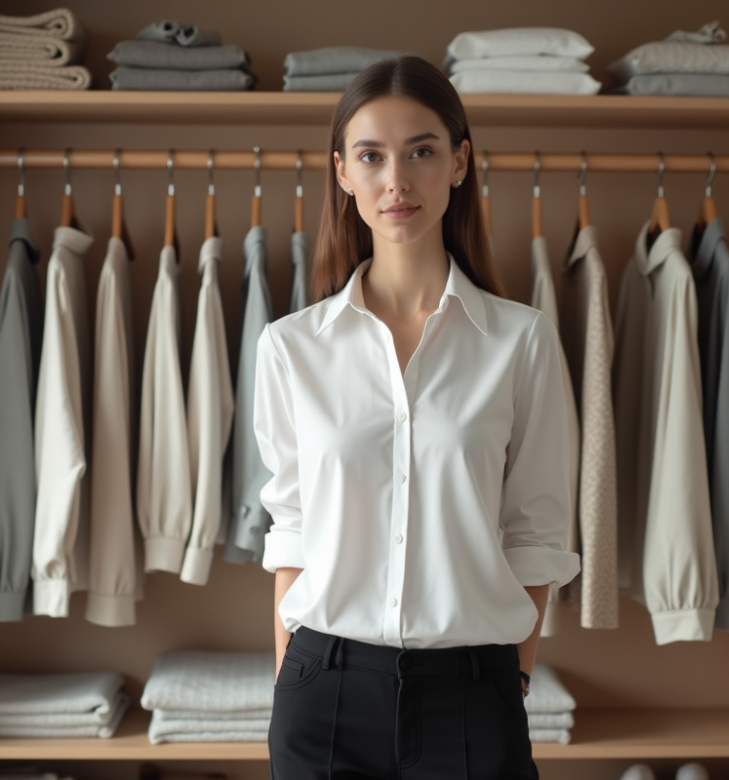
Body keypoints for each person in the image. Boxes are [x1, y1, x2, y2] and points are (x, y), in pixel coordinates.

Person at [253, 56, 580, 780]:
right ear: (343, 172)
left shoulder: (520, 340)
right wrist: (291, 686)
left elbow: (536, 535)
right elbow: (295, 530)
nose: (395, 181)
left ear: (460, 162)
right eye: (371, 156)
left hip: (471, 698)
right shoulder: (289, 347)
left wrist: (509, 682)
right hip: (323, 694)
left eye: (421, 152)